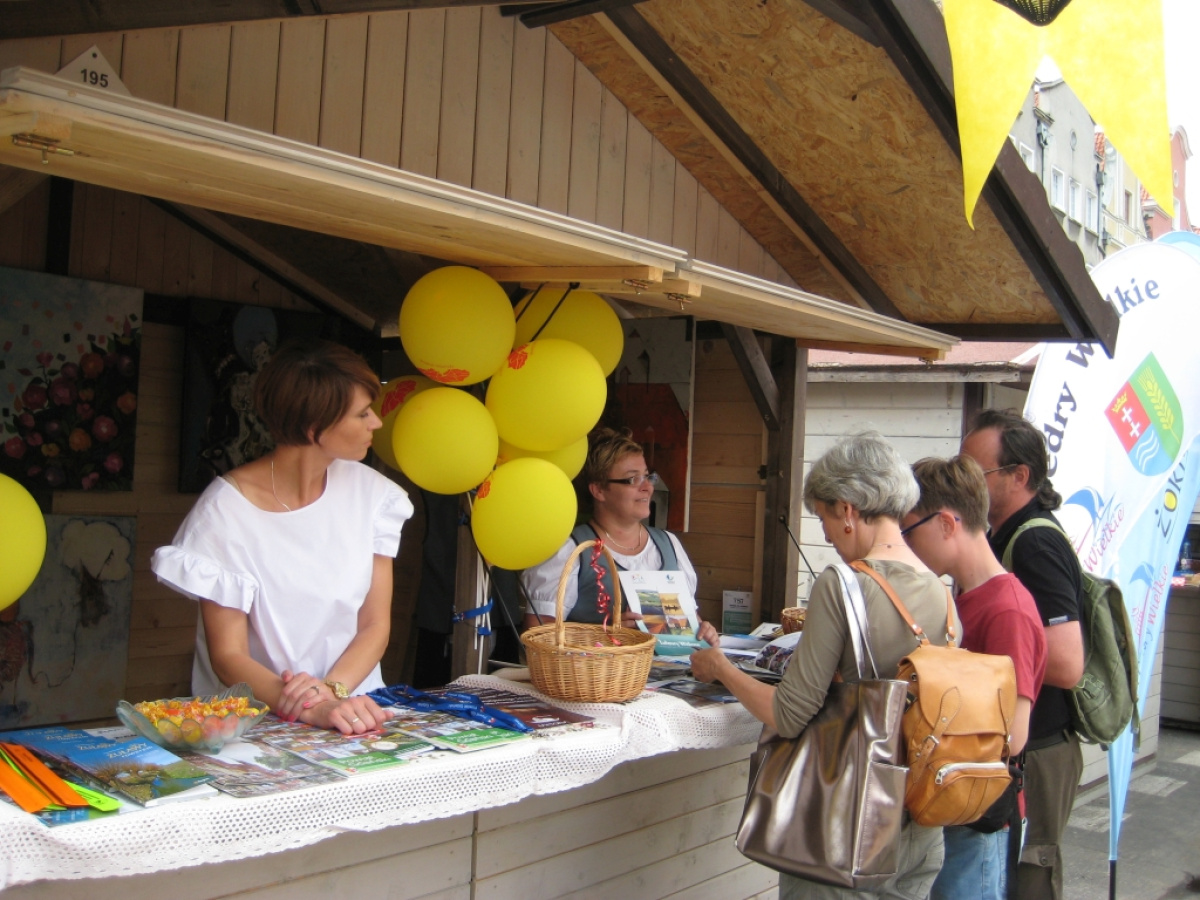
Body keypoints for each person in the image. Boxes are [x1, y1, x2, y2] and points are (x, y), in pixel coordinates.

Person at [691, 431, 959, 900]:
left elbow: (789, 714)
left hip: (848, 824)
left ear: (848, 509)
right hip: (921, 820)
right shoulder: (940, 588)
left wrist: (721, 668)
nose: (827, 536)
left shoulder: (844, 584)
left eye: (824, 518)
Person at [152, 338, 414, 735]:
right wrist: (310, 707)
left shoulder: (375, 497)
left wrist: (331, 693)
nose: (375, 423)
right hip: (250, 726)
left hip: (355, 715)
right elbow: (228, 655)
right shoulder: (224, 512)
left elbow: (375, 624)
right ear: (315, 427)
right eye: (362, 414)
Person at [904, 455, 1048, 900]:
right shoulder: (964, 596)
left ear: (947, 523)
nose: (905, 545)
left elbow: (1014, 735)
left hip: (976, 815)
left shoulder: (1006, 610)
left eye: (910, 532)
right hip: (951, 803)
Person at [961, 409, 1085, 900]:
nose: (965, 481)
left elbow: (1068, 663)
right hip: (1023, 743)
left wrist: (983, 651)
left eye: (976, 471)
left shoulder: (1033, 542)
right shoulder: (1003, 534)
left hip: (1039, 746)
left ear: (1019, 476)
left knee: (1028, 879)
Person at [520, 427, 697, 627]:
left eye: (648, 476)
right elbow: (538, 632)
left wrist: (702, 630)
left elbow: (688, 621)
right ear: (599, 490)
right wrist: (607, 634)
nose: (647, 487)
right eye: (633, 479)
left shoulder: (669, 544)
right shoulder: (570, 550)